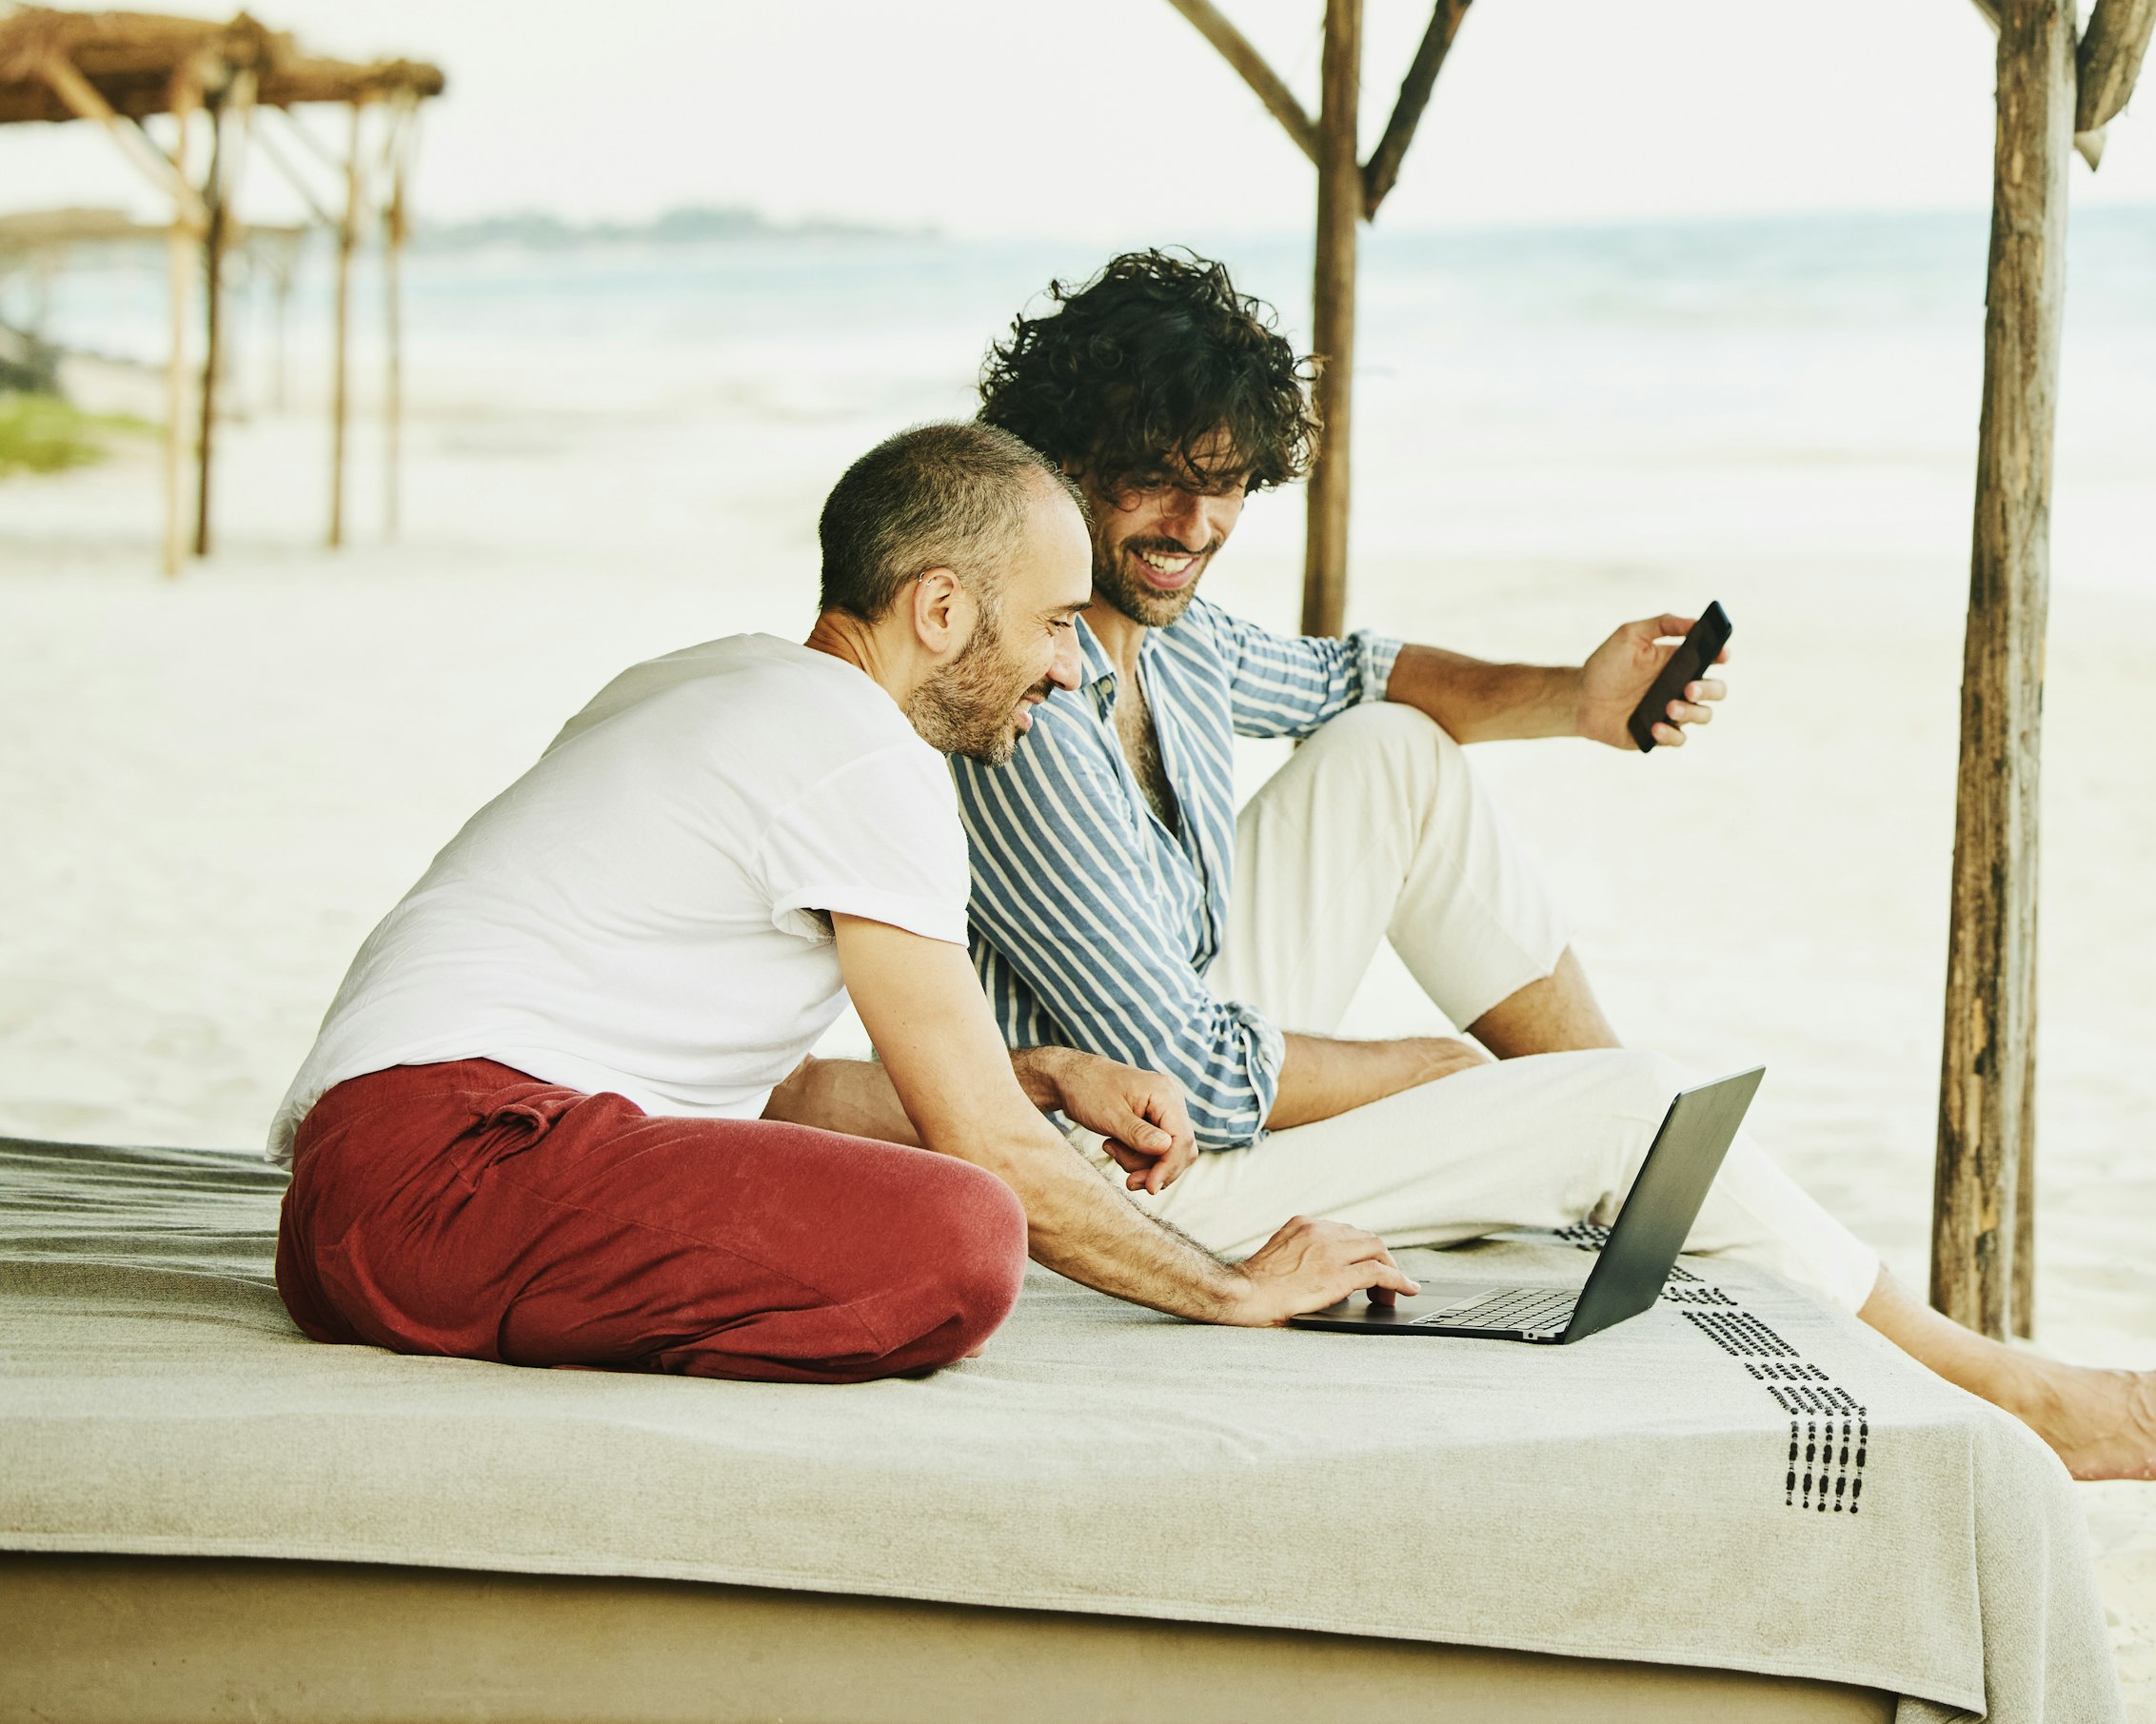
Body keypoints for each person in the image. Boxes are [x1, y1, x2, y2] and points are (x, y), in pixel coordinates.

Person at [958, 251, 2156, 1479]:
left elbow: (1360, 673)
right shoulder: (1029, 693)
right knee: (1612, 1096)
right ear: (1062, 465)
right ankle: (1999, 1382)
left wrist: (1580, 697)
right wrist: (1431, 1074)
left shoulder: (1164, 633)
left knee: (1388, 749)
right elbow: (1186, 1074)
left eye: (1229, 481)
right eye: (1154, 478)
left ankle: (1612, 1155)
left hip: (1176, 1084)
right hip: (1122, 1181)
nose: (1196, 519)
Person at [268, 421, 1410, 1384]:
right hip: (457, 1176)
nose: (1070, 669)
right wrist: (1232, 1289)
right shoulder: (864, 753)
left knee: (924, 1203)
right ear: (944, 611)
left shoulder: (704, 681)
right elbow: (990, 1153)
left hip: (371, 1199)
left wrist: (1041, 1076)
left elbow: (789, 1090)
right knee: (963, 1236)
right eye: (1057, 621)